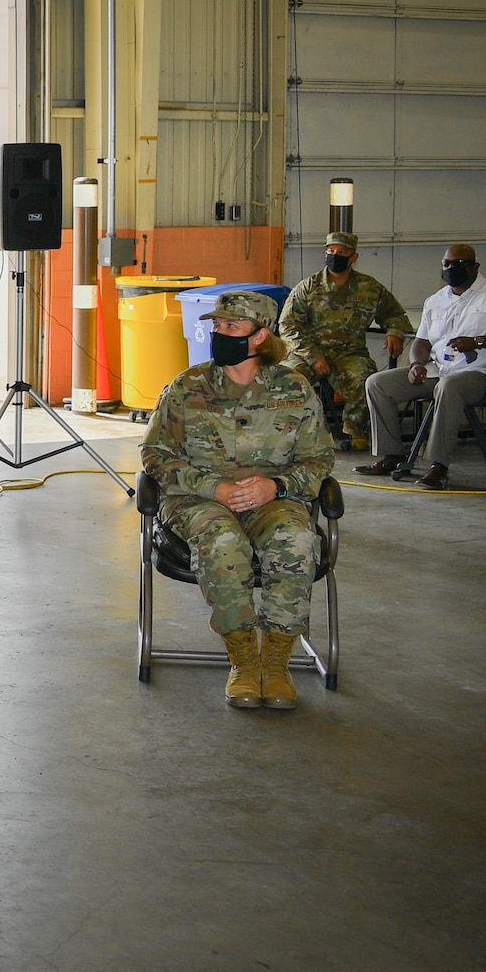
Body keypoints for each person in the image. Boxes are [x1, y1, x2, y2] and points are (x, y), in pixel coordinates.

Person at [141, 290, 334, 711]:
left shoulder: (294, 389)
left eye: (231, 326)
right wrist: (214, 489)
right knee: (223, 542)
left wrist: (277, 487)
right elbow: (154, 455)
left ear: (260, 336)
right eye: (216, 325)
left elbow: (319, 459)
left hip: (271, 499)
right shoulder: (186, 387)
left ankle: (277, 661)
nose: (218, 333)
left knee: (297, 541)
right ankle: (244, 659)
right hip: (198, 500)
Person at [357, 244, 486, 490]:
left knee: (448, 387)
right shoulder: (435, 301)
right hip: (437, 370)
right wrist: (416, 363)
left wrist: (479, 341)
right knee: (377, 383)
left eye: (458, 264)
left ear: (474, 267)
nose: (451, 268)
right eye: (446, 264)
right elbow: (422, 342)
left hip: (477, 375)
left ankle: (438, 466)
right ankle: (392, 455)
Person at [278, 231, 413, 450]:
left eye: (342, 252)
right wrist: (313, 356)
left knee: (364, 379)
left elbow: (395, 314)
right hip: (308, 352)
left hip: (348, 353)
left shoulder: (369, 288)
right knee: (286, 379)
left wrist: (394, 332)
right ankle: (291, 433)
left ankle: (353, 429)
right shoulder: (307, 287)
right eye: (330, 251)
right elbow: (288, 325)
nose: (335, 256)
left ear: (353, 257)